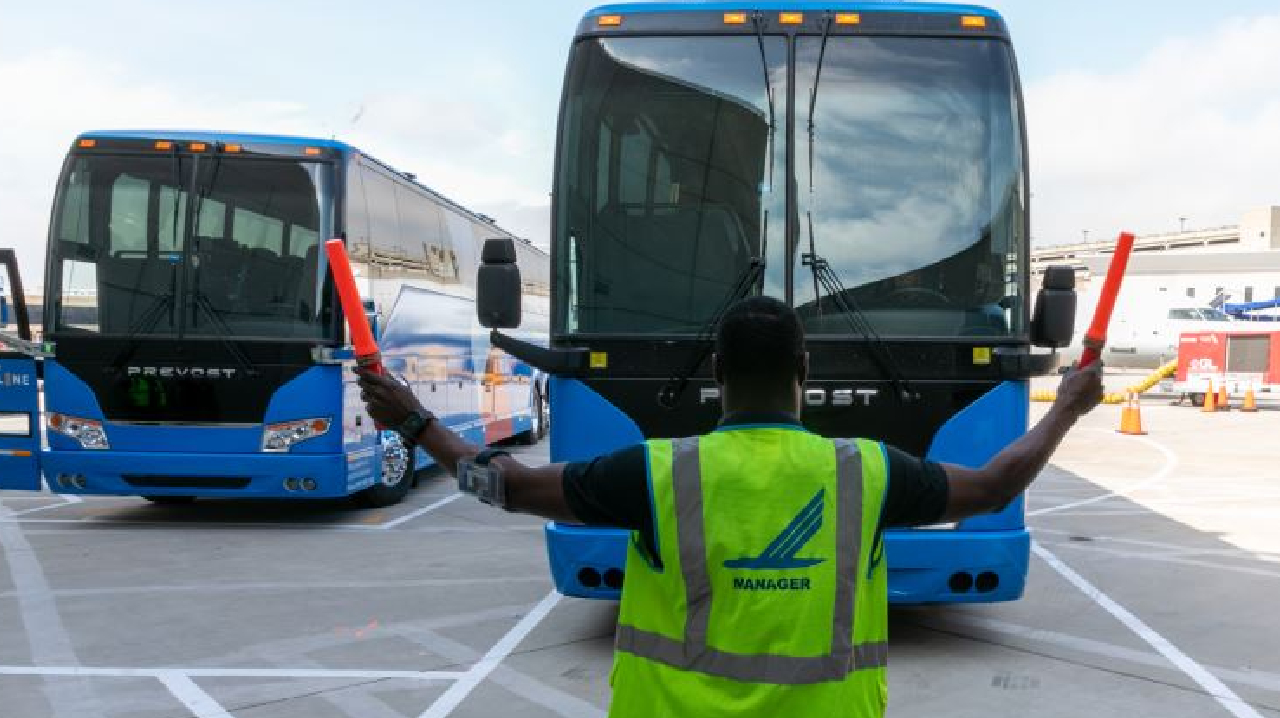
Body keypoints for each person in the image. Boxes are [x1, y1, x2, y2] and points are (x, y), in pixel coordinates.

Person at [358, 296, 1103, 718]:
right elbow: (996, 486)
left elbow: (507, 487)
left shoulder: (656, 471)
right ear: (804, 370)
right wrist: (1067, 406)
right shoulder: (869, 471)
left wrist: (414, 421)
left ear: (717, 373)